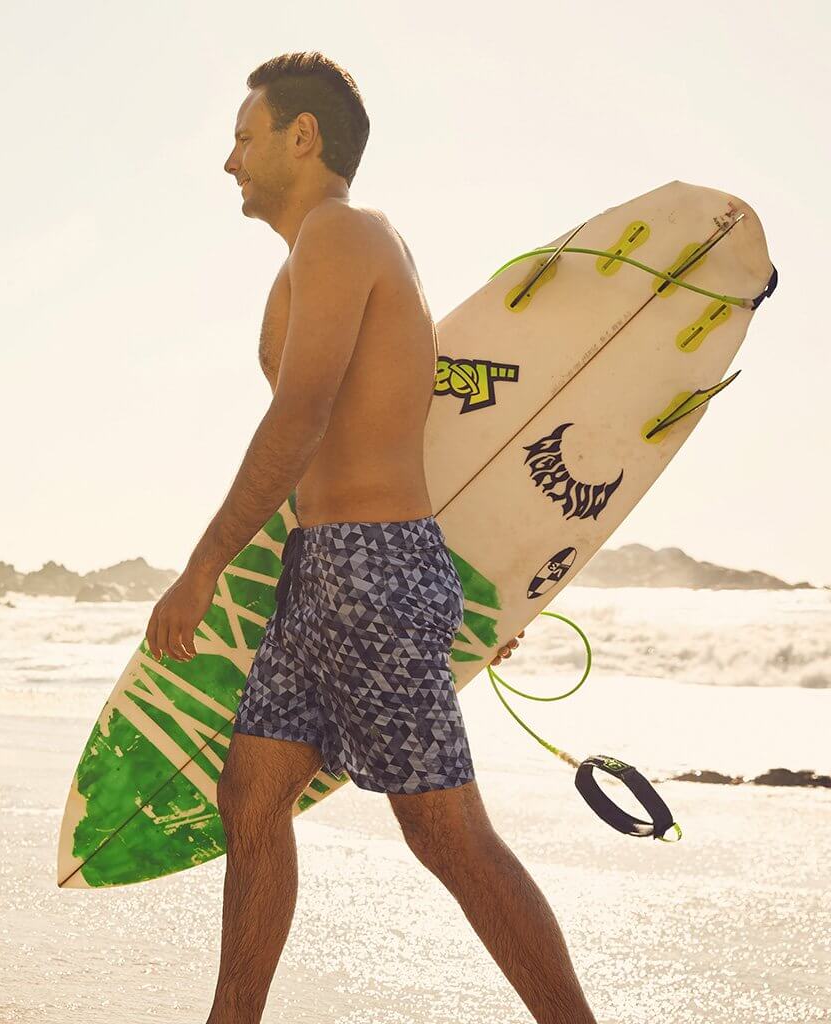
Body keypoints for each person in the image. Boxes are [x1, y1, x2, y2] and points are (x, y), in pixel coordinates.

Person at [145, 51, 596, 1024]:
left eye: (244, 136)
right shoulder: (325, 251)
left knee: (444, 833)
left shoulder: (342, 236)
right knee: (251, 794)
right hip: (327, 572)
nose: (230, 160)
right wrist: (471, 597)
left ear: (300, 138)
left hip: (366, 568)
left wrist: (202, 567)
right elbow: (415, 426)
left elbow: (304, 415)